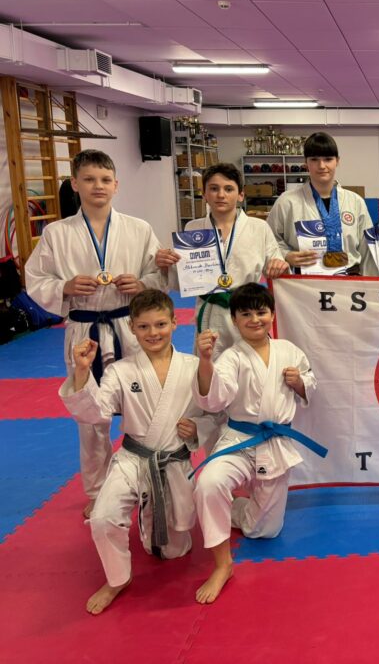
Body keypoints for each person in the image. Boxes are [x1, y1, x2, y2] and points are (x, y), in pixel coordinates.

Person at [25, 149, 165, 517]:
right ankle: (99, 491)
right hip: (84, 331)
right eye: (89, 179)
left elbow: (159, 275)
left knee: (142, 407)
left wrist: (142, 283)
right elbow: (35, 279)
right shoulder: (56, 233)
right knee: (90, 418)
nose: (97, 186)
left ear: (116, 185)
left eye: (104, 180)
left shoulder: (139, 229)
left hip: (129, 328)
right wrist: (66, 286)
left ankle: (146, 481)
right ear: (75, 184)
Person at [59, 289, 206, 614]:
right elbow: (96, 413)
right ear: (132, 328)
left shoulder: (193, 366)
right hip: (132, 458)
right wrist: (82, 371)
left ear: (175, 322)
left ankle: (150, 521)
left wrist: (198, 429)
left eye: (160, 324)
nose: (153, 333)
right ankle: (118, 578)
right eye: (143, 326)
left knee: (173, 551)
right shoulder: (120, 371)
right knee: (102, 517)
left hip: (173, 461)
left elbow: (214, 413)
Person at [192, 283, 321, 604]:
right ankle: (223, 565)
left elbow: (311, 382)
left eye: (261, 312)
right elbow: (213, 400)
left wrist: (300, 383)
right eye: (245, 314)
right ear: (234, 320)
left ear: (272, 315)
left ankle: (236, 509)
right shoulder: (231, 357)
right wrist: (205, 360)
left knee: (264, 531)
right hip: (238, 440)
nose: (254, 319)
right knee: (208, 483)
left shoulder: (289, 350)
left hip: (275, 443)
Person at [155, 162, 288, 357]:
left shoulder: (259, 228)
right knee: (210, 365)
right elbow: (181, 281)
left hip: (247, 311)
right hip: (209, 310)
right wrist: (166, 265)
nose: (221, 195)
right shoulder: (193, 228)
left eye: (228, 189)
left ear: (241, 194)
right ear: (204, 194)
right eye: (214, 189)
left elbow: (276, 266)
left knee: (249, 364)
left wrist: (280, 265)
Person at [266, 132, 372, 274]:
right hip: (306, 280)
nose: (321, 166)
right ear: (306, 163)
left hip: (350, 279)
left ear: (337, 161)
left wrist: (368, 282)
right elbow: (268, 240)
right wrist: (286, 255)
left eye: (328, 159)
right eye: (314, 159)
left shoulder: (355, 202)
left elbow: (367, 249)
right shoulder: (287, 202)